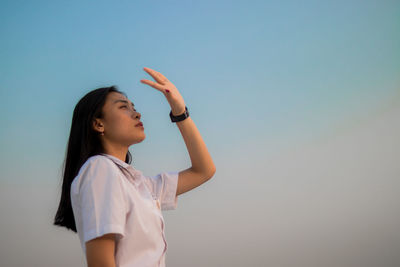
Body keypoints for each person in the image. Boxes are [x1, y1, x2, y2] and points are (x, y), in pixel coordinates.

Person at [53, 67, 216, 267]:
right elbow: (101, 263)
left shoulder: (141, 186)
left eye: (134, 106)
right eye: (123, 107)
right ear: (98, 124)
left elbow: (204, 170)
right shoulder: (100, 169)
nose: (137, 114)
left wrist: (180, 111)